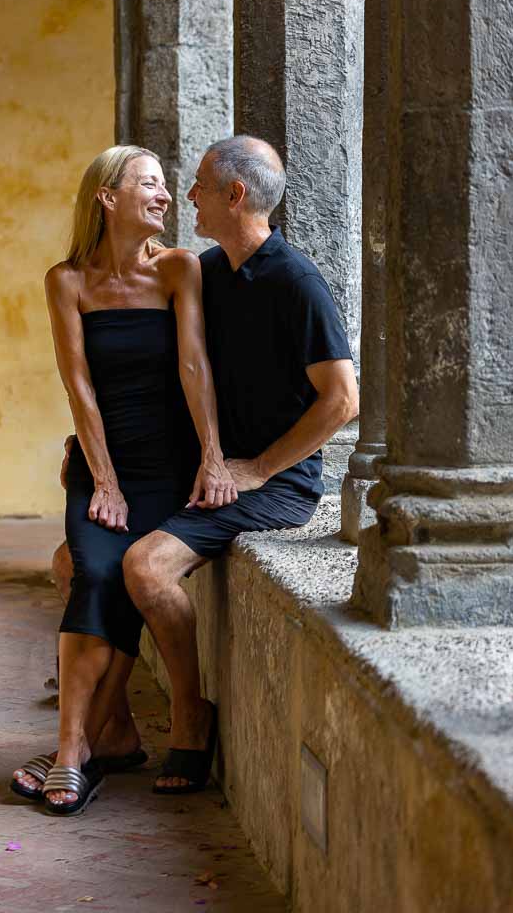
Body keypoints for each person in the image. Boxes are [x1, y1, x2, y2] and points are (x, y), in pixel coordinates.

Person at [58, 136, 359, 794]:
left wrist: (259, 468)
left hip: (273, 483)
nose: (183, 194)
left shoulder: (294, 280)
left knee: (145, 566)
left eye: (195, 184)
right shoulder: (210, 271)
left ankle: (188, 718)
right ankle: (108, 736)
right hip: (199, 468)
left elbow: (343, 401)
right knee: (72, 562)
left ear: (234, 195)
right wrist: (91, 457)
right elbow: (165, 371)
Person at [10, 144, 236, 815]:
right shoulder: (67, 281)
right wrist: (101, 481)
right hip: (101, 463)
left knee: (118, 576)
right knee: (94, 573)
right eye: (151, 184)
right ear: (107, 198)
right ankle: (79, 745)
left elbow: (195, 369)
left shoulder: (179, 269)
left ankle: (75, 752)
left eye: (168, 185)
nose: (165, 196)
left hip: (166, 465)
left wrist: (213, 457)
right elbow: (78, 386)